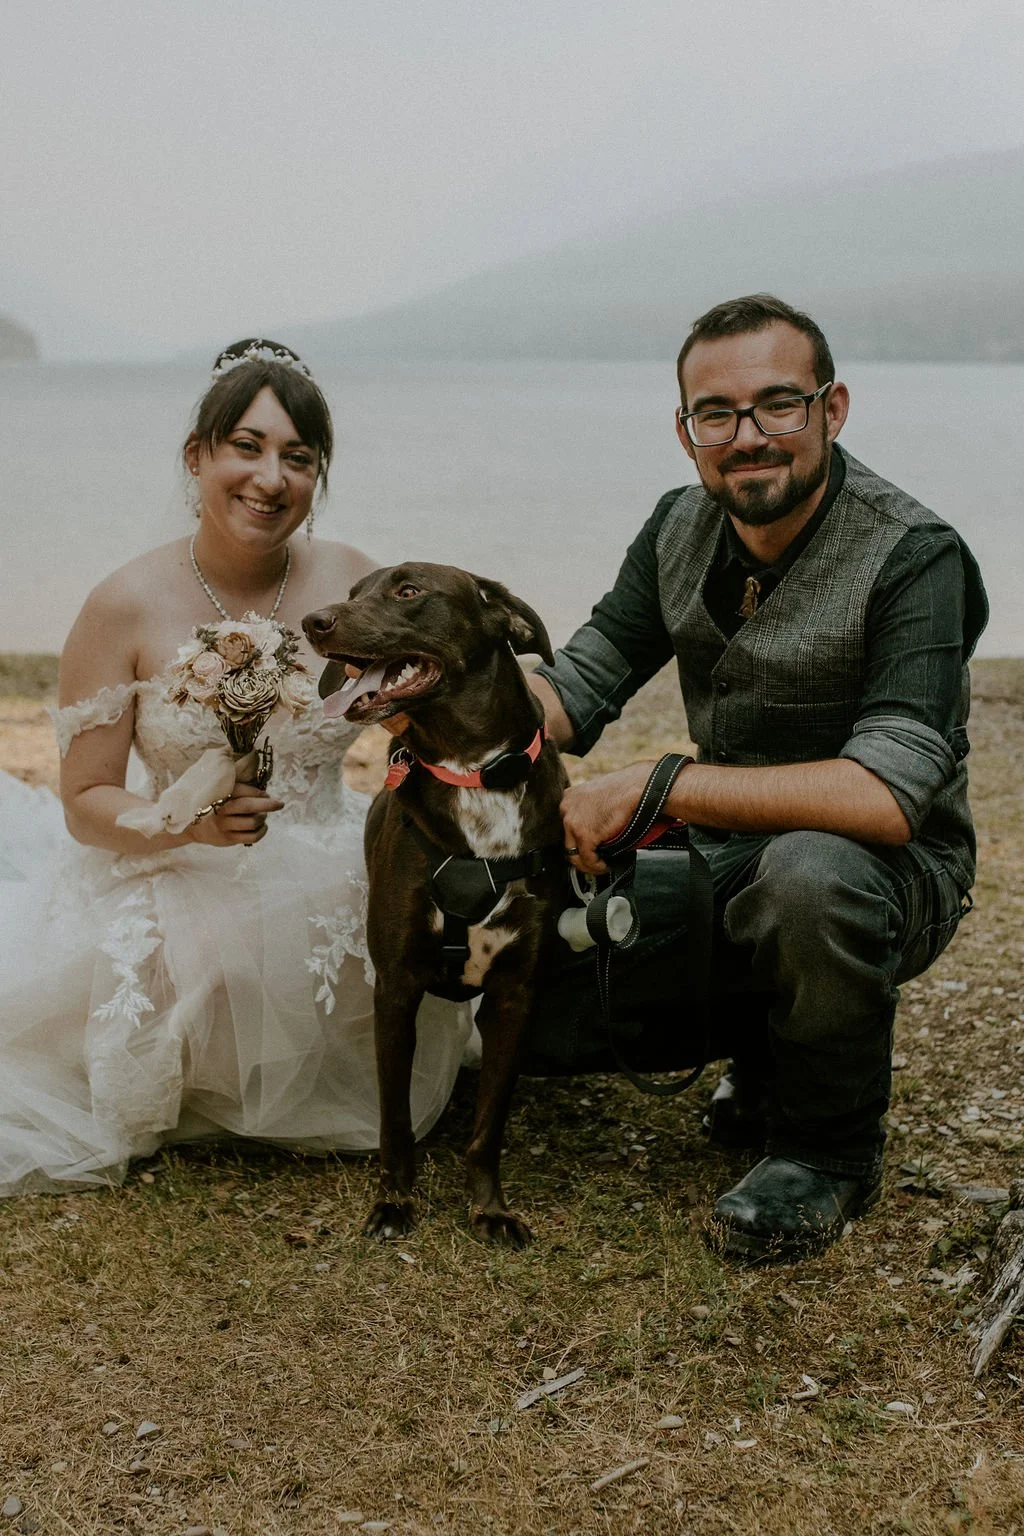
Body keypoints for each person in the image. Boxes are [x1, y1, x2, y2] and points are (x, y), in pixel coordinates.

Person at [526, 294, 988, 1261]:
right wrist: (444, 684)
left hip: (885, 877)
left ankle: (827, 1150)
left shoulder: (916, 556)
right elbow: (579, 685)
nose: (750, 438)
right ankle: (765, 1046)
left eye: (780, 405)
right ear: (686, 429)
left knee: (810, 876)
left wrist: (657, 787)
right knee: (532, 1026)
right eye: (718, 414)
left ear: (834, 407)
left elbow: (888, 798)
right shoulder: (676, 527)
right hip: (720, 859)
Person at [0, 339, 471, 1196]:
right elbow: (83, 800)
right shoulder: (124, 603)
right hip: (175, 861)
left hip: (331, 856)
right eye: (247, 447)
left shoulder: (355, 581)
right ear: (197, 458)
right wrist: (194, 825)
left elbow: (427, 704)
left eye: (298, 457)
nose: (272, 478)